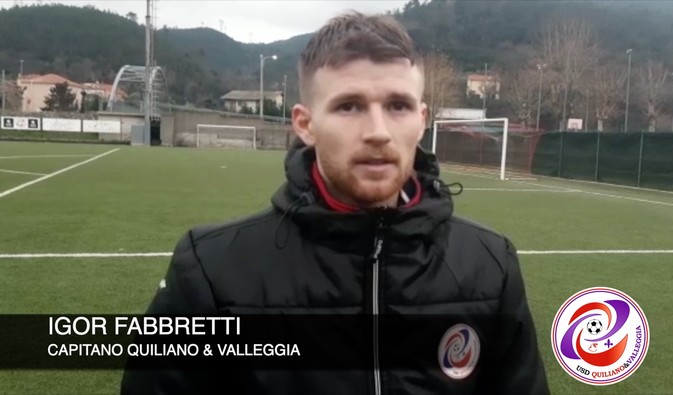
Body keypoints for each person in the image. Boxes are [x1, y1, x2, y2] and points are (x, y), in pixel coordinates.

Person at [121, 10, 549, 395]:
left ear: (421, 122)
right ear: (305, 125)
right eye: (349, 106)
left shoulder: (491, 266)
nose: (378, 131)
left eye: (398, 105)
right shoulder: (212, 270)